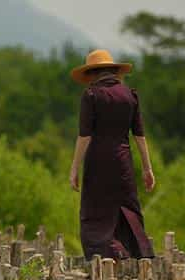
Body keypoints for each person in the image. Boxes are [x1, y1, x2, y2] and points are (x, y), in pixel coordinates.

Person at [69, 49, 156, 261]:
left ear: (92, 74)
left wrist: (74, 168)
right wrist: (147, 168)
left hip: (98, 162)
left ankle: (106, 259)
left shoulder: (91, 95)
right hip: (123, 161)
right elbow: (139, 135)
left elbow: (84, 136)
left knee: (96, 212)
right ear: (114, 71)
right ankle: (131, 254)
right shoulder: (130, 95)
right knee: (127, 208)